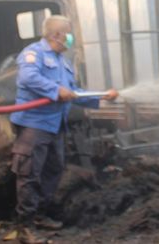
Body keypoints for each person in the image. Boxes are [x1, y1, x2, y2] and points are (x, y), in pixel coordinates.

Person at [10, 15, 118, 244]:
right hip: (34, 124)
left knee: (54, 170)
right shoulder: (34, 53)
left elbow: (73, 92)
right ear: (56, 35)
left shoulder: (62, 61)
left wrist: (102, 97)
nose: (71, 38)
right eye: (68, 33)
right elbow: (29, 78)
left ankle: (40, 215)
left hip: (55, 125)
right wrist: (54, 90)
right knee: (29, 174)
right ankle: (25, 227)